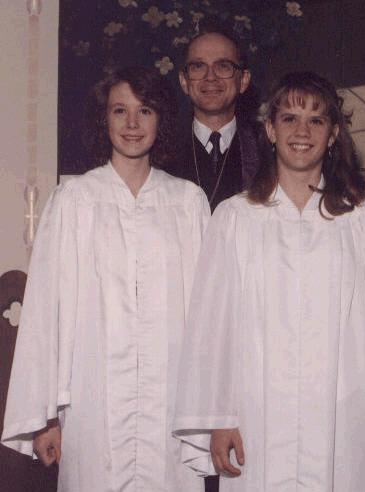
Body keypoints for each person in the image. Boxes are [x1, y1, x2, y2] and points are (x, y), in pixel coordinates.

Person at [172, 71, 365, 491]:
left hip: (338, 406)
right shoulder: (236, 217)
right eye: (289, 118)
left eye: (316, 120)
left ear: (333, 134)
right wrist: (220, 416)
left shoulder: (360, 219)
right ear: (271, 130)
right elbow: (212, 327)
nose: (302, 132)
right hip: (256, 412)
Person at [1, 67, 210, 491]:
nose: (132, 123)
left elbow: (208, 316)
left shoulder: (187, 202)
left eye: (145, 110)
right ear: (104, 119)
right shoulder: (75, 200)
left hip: (169, 403)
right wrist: (45, 417)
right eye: (120, 111)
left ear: (161, 119)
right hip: (92, 402)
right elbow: (46, 312)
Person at [167, 22, 259, 209]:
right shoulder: (162, 147)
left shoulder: (266, 146)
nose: (210, 77)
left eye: (223, 66)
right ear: (184, 81)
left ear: (243, 80)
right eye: (198, 66)